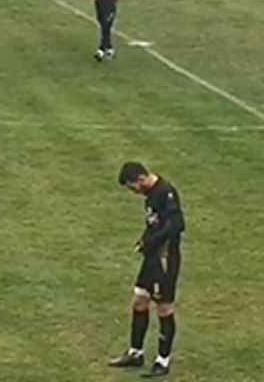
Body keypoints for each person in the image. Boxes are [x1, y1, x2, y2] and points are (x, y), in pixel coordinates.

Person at [108, 161, 184, 378]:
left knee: (163, 307)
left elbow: (177, 224)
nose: (134, 192)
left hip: (164, 259)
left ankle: (163, 360)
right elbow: (155, 223)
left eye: (133, 187)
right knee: (139, 300)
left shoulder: (166, 192)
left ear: (141, 179)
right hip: (151, 258)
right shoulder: (151, 194)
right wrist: (144, 240)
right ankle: (135, 353)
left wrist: (152, 242)